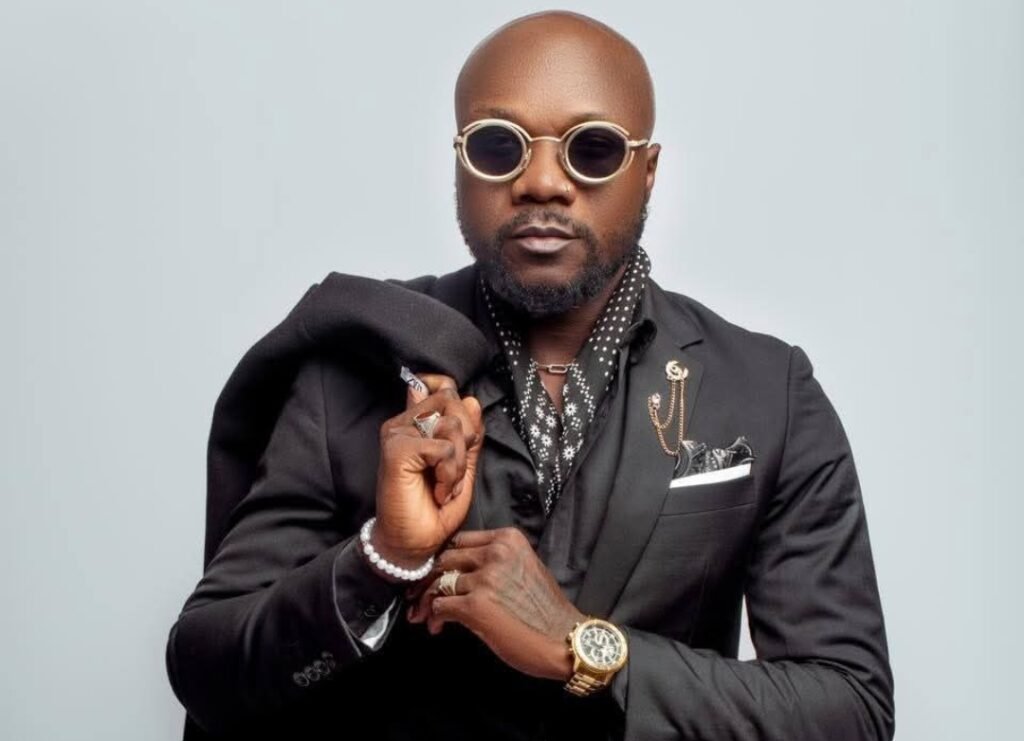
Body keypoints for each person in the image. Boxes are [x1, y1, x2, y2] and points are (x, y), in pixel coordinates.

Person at [166, 10, 894, 741]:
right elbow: (203, 671)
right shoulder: (354, 367)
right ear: (459, 164)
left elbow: (852, 710)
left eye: (593, 149)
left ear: (648, 172)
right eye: (498, 145)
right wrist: (383, 557)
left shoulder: (766, 390)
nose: (542, 182)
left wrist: (585, 649)